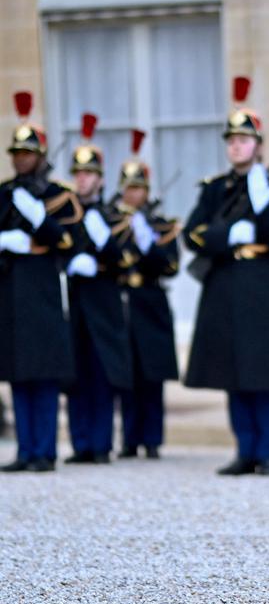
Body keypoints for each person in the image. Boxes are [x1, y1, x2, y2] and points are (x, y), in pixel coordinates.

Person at [183, 76, 269, 476]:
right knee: (233, 370)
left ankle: (266, 452)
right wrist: (228, 234)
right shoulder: (214, 190)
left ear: (258, 146)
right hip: (225, 282)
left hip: (260, 282)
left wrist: (263, 205)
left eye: (244, 140)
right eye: (231, 140)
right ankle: (245, 449)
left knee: (262, 371)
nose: (237, 146)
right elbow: (193, 233)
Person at [0, 92, 79, 472]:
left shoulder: (58, 196)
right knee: (18, 374)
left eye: (28, 153)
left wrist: (38, 221)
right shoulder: (3, 194)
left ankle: (45, 451)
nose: (21, 159)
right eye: (16, 152)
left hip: (44, 292)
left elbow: (67, 241)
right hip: (12, 292)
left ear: (41, 155)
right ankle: (25, 449)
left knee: (44, 375)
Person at [64, 114, 134, 465]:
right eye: (77, 174)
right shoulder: (66, 214)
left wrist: (103, 243)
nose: (82, 179)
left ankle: (101, 443)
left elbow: (125, 260)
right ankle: (80, 444)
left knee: (103, 375)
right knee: (76, 375)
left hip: (104, 303)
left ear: (100, 179)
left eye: (88, 174)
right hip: (75, 303)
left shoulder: (112, 215)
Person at [116, 129, 180, 459]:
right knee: (127, 375)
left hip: (151, 302)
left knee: (152, 375)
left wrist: (146, 242)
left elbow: (170, 266)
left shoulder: (161, 226)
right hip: (125, 300)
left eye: (138, 188)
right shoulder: (114, 223)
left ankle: (152, 438)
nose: (133, 194)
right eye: (128, 188)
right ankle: (129, 438)